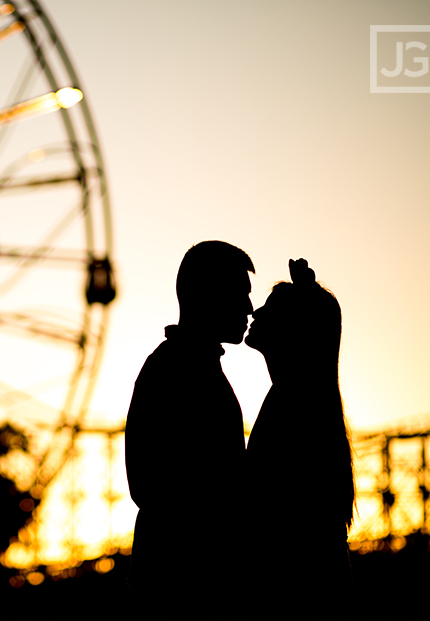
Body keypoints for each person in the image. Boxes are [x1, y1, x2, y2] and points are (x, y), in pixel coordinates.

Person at [125, 241, 254, 619]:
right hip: (185, 588)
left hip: (172, 579)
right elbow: (150, 485)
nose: (248, 308)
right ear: (208, 295)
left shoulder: (175, 368)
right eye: (240, 294)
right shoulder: (179, 372)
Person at [243, 259, 355, 618]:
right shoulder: (304, 403)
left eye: (270, 310)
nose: (255, 312)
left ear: (293, 330)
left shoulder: (290, 406)